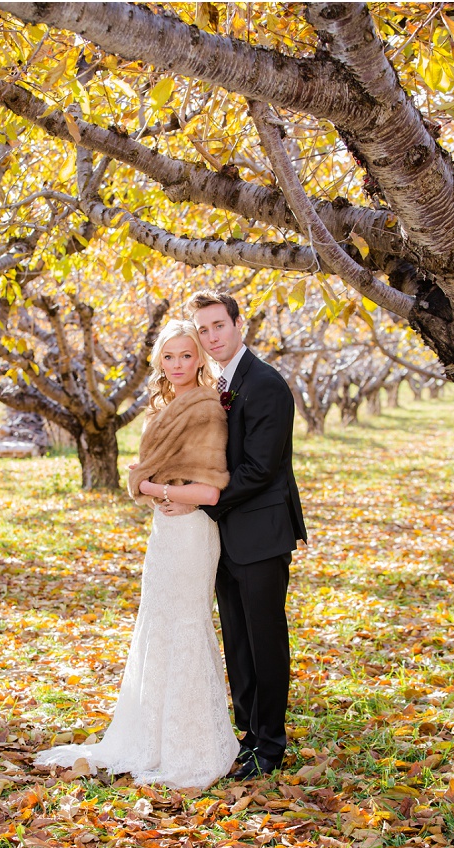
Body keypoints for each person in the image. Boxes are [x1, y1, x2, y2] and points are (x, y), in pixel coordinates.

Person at [35, 321, 238, 789]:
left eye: (187, 355)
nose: (178, 364)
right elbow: (142, 478)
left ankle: (194, 745)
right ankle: (150, 736)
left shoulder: (209, 407)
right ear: (159, 362)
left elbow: (212, 485)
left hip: (192, 532)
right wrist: (155, 489)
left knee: (188, 623)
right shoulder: (160, 406)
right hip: (163, 530)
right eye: (169, 357)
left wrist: (170, 490)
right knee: (157, 623)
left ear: (200, 359)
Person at [166, 290, 306, 781]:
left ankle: (269, 744)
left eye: (217, 326)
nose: (211, 337)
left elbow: (260, 470)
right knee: (239, 641)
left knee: (265, 640)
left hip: (261, 533)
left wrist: (200, 498)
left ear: (237, 324)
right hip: (221, 536)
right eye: (202, 330)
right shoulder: (217, 384)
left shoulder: (264, 383)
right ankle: (246, 732)